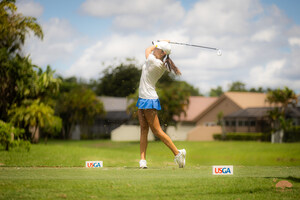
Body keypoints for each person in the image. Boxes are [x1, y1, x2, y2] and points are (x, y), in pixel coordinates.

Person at [136, 40, 186, 169]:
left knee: (157, 131)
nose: (154, 50)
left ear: (162, 52)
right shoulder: (156, 61)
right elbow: (151, 51)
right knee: (143, 129)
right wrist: (160, 43)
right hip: (142, 98)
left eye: (157, 48)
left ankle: (177, 153)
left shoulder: (155, 62)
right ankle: (142, 161)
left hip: (148, 99)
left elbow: (147, 50)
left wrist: (159, 41)